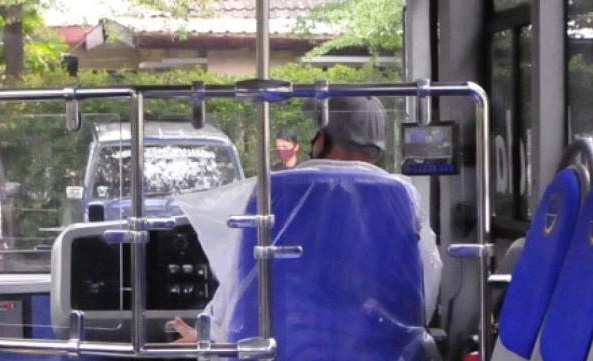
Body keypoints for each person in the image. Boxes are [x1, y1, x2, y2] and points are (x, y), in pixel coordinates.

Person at [171, 96, 442, 343]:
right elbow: (424, 294)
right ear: (379, 148)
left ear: (321, 140)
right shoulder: (403, 197)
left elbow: (243, 283)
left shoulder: (273, 192)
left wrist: (210, 334)